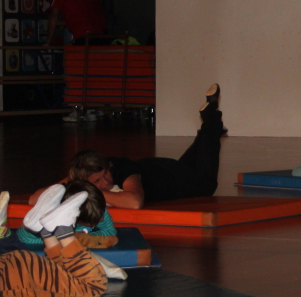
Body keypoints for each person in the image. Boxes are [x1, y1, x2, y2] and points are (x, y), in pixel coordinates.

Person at [31, 83, 225, 209]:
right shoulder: (79, 177)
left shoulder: (123, 170)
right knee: (203, 144)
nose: (106, 181)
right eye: (97, 181)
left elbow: (134, 202)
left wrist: (93, 191)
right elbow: (34, 199)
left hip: (177, 181)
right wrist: (72, 187)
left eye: (105, 174)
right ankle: (211, 119)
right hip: (164, 169)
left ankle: (211, 119)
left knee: (207, 184)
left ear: (107, 166)